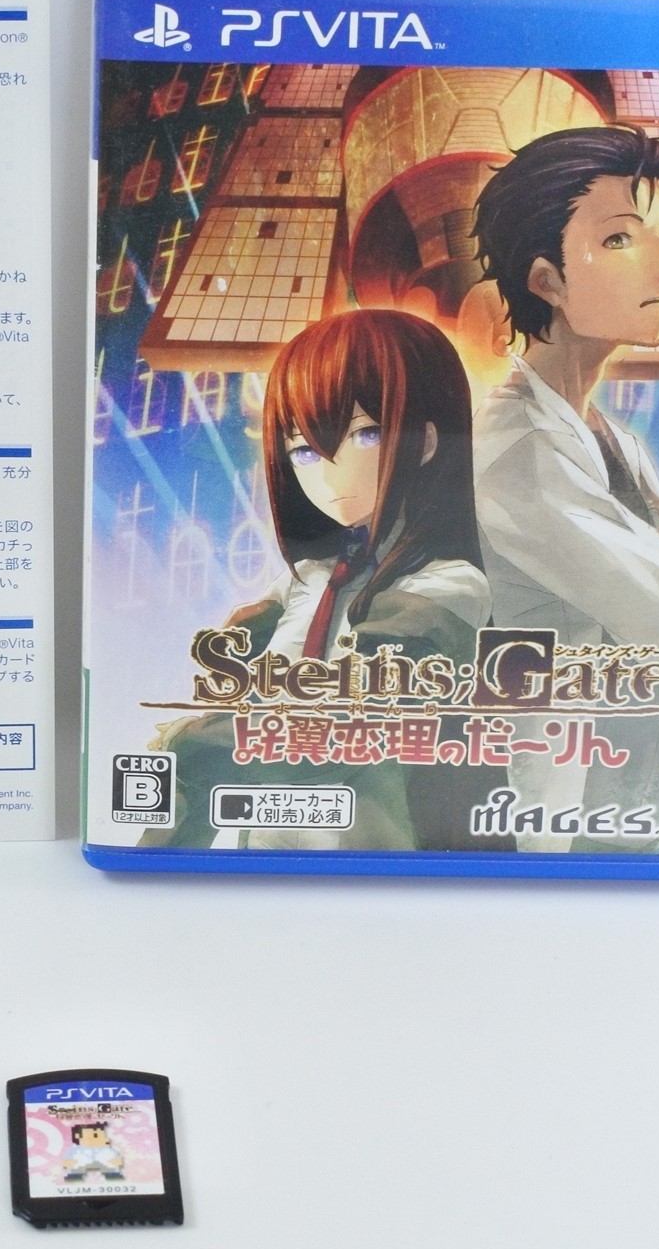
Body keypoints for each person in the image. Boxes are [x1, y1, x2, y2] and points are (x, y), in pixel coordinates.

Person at [470, 124, 659, 852]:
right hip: (564, 821)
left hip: (642, 808)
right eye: (622, 239)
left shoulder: (611, 439)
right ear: (547, 282)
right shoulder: (516, 449)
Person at [141, 306, 497, 852]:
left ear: (426, 442)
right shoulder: (305, 580)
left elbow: (350, 716)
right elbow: (225, 711)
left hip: (379, 859)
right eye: (304, 449)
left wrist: (195, 742)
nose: (330, 473)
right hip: (263, 856)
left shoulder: (448, 586)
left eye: (366, 435)